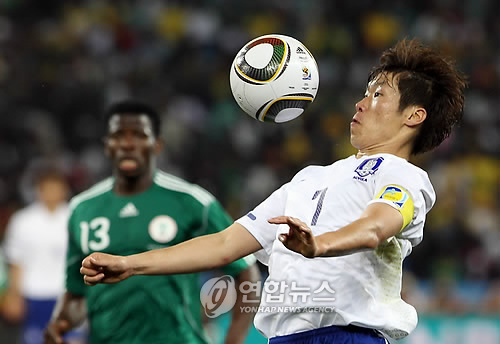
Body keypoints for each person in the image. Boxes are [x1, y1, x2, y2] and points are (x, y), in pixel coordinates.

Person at [80, 39, 466, 343]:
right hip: (281, 340)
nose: (361, 103)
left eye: (378, 95)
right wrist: (132, 265)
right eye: (365, 92)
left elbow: (374, 227)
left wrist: (320, 244)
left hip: (348, 338)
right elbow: (223, 245)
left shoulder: (404, 176)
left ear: (414, 116)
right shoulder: (309, 178)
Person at [44, 100, 259, 344]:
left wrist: (234, 340)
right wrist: (61, 323)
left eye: (138, 135)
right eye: (118, 135)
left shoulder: (193, 202)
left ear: (157, 145)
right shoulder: (82, 208)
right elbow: (76, 294)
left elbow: (247, 272)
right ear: (107, 146)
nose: (127, 144)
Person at [2, 169, 72, 344]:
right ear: (39, 191)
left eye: (55, 188)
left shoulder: (74, 217)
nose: (51, 193)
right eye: (47, 188)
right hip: (34, 293)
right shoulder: (23, 220)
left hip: (67, 295)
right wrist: (14, 294)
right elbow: (16, 261)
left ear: (64, 190)